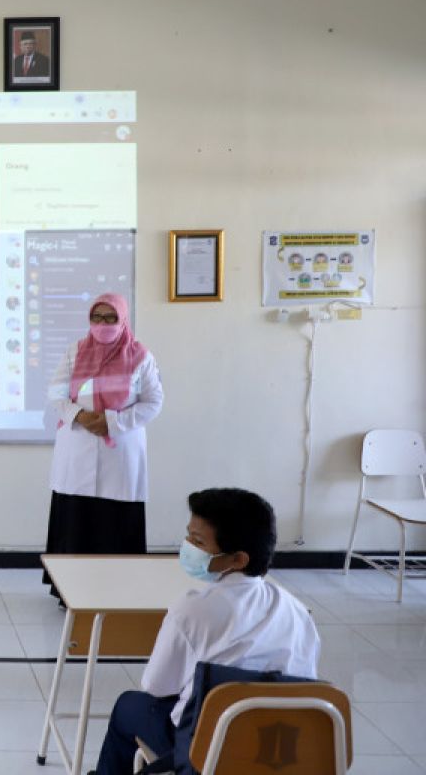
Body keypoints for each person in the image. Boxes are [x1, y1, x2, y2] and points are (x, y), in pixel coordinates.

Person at [93, 488, 321, 774]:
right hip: (281, 748)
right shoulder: (297, 611)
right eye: (189, 535)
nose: (187, 546)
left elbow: (156, 686)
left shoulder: (192, 610)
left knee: (128, 706)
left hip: (207, 749)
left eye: (198, 541)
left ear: (238, 559)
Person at [45, 293, 163, 601]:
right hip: (78, 444)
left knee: (115, 519)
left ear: (123, 319)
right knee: (77, 520)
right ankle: (69, 591)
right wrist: (80, 416)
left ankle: (119, 590)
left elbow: (153, 402)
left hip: (120, 450)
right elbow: (56, 392)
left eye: (110, 317)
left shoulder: (140, 356)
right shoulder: (76, 351)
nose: (103, 324)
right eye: (97, 317)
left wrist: (112, 422)